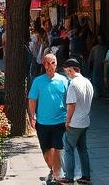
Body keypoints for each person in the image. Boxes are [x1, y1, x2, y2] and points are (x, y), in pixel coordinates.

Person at [28, 53, 69, 183]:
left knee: (58, 149)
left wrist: (69, 117)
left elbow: (69, 100)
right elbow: (32, 99)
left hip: (60, 121)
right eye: (48, 63)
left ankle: (57, 176)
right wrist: (32, 116)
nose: (50, 66)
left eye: (53, 63)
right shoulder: (38, 81)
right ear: (44, 64)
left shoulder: (63, 80)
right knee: (47, 152)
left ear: (56, 64)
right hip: (43, 122)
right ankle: (53, 170)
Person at [61, 58, 95, 183]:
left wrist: (67, 121)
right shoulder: (87, 82)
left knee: (69, 149)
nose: (66, 74)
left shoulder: (73, 84)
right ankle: (86, 176)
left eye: (66, 71)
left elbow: (72, 105)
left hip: (75, 122)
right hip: (85, 120)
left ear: (70, 69)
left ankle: (69, 177)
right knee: (82, 149)